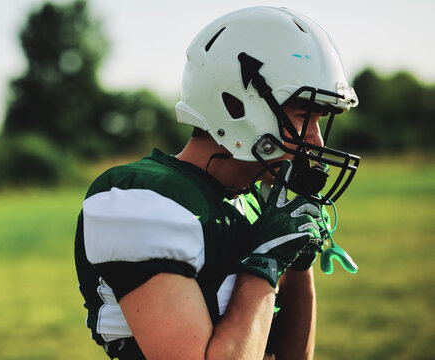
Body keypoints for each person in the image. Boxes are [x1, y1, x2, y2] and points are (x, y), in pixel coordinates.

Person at [74, 6, 360, 360]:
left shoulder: (259, 202)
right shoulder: (142, 198)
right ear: (236, 104)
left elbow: (295, 355)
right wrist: (266, 262)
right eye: (303, 116)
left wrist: (296, 259)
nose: (315, 141)